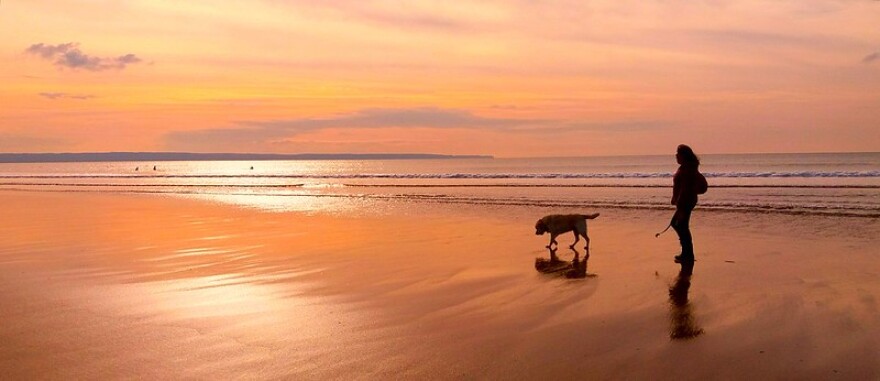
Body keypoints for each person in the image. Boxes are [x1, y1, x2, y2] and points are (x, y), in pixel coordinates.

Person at [670, 144, 703, 263]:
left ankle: (687, 254)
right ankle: (687, 253)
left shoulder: (687, 169)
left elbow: (685, 189)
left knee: (678, 225)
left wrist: (680, 206)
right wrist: (675, 197)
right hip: (685, 201)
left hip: (685, 202)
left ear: (683, 156)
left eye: (678, 154)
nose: (676, 156)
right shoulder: (686, 167)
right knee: (680, 225)